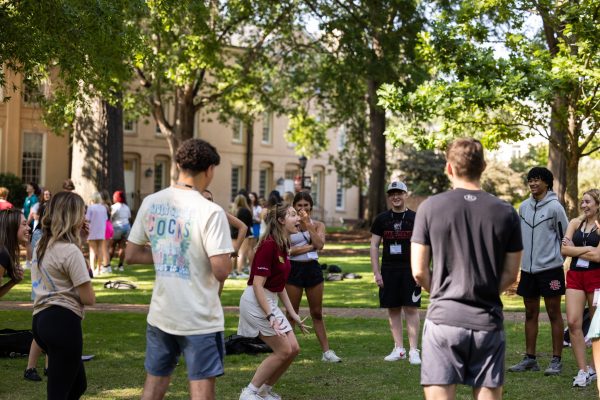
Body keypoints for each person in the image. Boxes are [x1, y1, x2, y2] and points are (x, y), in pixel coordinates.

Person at [411, 138, 523, 400]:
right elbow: (511, 274)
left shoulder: (429, 208)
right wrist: (482, 290)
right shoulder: (506, 212)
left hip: (443, 320)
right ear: (484, 166)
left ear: (448, 168)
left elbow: (418, 270)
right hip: (487, 320)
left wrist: (440, 292)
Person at [125, 138, 233, 400]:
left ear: (177, 165)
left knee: (153, 387)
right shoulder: (211, 211)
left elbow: (132, 254)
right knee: (201, 392)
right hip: (199, 318)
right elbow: (221, 270)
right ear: (209, 170)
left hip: (162, 313)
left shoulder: (152, 202)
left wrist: (169, 252)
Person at [238, 204, 310, 400]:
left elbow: (279, 285)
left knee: (293, 349)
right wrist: (270, 315)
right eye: (293, 215)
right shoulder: (269, 245)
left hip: (269, 300)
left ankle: (264, 391)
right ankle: (249, 392)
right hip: (256, 301)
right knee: (283, 350)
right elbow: (258, 286)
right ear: (280, 220)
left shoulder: (283, 244)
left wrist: (293, 313)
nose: (298, 218)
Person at [30, 191, 96, 399]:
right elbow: (89, 298)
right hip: (62, 322)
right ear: (72, 217)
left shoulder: (41, 245)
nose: (85, 219)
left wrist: (80, 242)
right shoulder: (70, 251)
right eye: (82, 213)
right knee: (59, 393)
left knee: (77, 386)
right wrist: (80, 249)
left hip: (41, 319)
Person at [508, 167, 569, 376]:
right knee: (530, 312)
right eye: (530, 180)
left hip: (551, 270)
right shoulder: (523, 207)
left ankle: (556, 360)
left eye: (537, 180)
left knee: (553, 313)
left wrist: (558, 260)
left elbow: (565, 239)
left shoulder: (555, 208)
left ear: (547, 183)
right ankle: (530, 358)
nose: (533, 184)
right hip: (528, 270)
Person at [287, 191, 341, 363]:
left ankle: (326, 352)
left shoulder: (318, 225)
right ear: (294, 206)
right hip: (293, 269)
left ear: (310, 206)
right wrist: (310, 247)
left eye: (305, 205)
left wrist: (308, 225)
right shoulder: (288, 225)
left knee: (316, 312)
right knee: (292, 312)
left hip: (312, 269)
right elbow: (289, 250)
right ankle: (288, 350)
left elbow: (320, 245)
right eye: (299, 205)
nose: (302, 208)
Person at [370, 181, 421, 364]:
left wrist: (420, 271)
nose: (396, 197)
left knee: (411, 308)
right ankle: (399, 349)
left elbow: (424, 246)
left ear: (406, 194)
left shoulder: (416, 218)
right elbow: (374, 245)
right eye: (392, 194)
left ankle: (414, 350)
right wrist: (377, 272)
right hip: (389, 270)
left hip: (411, 270)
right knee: (393, 308)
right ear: (389, 197)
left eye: (399, 193)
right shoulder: (382, 219)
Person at [560, 189, 600, 386]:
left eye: (588, 202)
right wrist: (587, 249)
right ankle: (582, 371)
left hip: (596, 277)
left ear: (598, 205)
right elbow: (564, 249)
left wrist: (575, 251)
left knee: (596, 327)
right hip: (575, 276)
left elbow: (599, 257)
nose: (583, 205)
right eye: (582, 202)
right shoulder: (575, 223)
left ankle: (595, 369)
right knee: (574, 322)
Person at [0, 208, 27, 297]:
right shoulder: (2, 253)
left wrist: (14, 281)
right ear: (12, 227)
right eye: (24, 224)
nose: (29, 227)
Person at [231, 194, 254, 279]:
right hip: (244, 233)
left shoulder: (233, 210)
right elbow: (250, 223)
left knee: (233, 252)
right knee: (241, 253)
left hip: (233, 234)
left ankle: (231, 271)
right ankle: (239, 271)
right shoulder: (246, 211)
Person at [86, 192, 109, 275]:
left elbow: (87, 219)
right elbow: (106, 219)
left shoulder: (90, 208)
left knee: (92, 251)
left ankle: (92, 269)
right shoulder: (103, 208)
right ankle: (98, 269)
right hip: (101, 230)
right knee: (100, 249)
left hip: (92, 229)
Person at [109, 190, 131, 272]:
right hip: (126, 227)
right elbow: (129, 218)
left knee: (112, 246)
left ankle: (108, 265)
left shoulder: (114, 207)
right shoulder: (126, 207)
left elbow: (111, 218)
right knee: (122, 247)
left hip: (116, 227)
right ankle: (120, 265)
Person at [23, 182, 40, 269]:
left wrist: (27, 224)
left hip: (31, 224)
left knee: (28, 242)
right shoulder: (27, 198)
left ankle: (28, 262)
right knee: (27, 242)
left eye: (29, 186)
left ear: (33, 188)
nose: (27, 187)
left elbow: (32, 213)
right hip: (26, 223)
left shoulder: (34, 198)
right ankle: (28, 261)